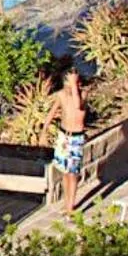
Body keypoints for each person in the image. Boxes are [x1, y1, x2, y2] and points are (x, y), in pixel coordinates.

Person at [51, 69, 87, 210]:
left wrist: (73, 85)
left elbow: (78, 105)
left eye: (74, 82)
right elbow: (53, 111)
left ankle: (70, 207)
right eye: (68, 81)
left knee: (72, 173)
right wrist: (44, 129)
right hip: (64, 137)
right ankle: (67, 203)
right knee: (65, 173)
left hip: (75, 139)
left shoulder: (83, 95)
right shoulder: (61, 95)